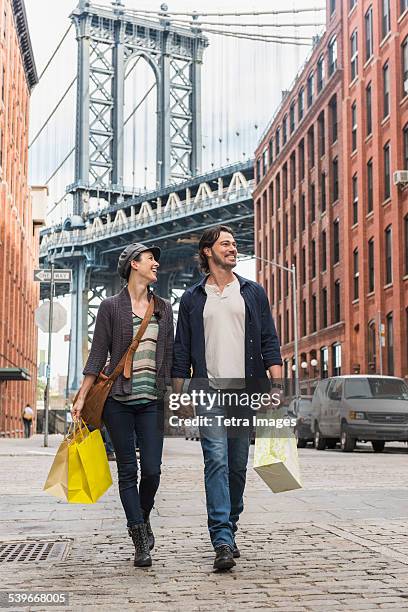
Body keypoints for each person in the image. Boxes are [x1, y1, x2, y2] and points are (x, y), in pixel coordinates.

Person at [172, 226, 282, 571]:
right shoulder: (192, 298)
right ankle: (220, 537)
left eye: (235, 244)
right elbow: (181, 352)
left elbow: (269, 341)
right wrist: (179, 396)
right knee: (216, 460)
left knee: (236, 465)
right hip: (208, 392)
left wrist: (276, 388)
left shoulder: (252, 292)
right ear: (208, 251)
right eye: (226, 244)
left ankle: (230, 526)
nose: (233, 248)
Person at [72, 243, 173, 568]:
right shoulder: (110, 307)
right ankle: (139, 539)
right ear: (133, 264)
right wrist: (83, 394)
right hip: (118, 401)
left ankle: (141, 519)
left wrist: (178, 395)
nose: (155, 263)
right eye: (149, 258)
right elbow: (98, 354)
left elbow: (168, 356)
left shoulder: (163, 307)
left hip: (152, 402)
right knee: (128, 470)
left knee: (153, 472)